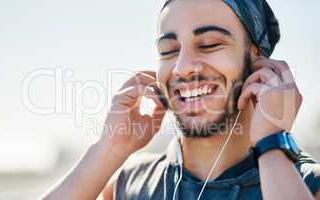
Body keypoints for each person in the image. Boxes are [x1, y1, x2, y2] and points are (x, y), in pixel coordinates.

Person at [42, 0, 320, 199]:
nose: (182, 67)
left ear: (259, 60)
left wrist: (272, 147)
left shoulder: (308, 184)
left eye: (210, 44)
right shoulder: (128, 185)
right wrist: (110, 148)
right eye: (169, 50)